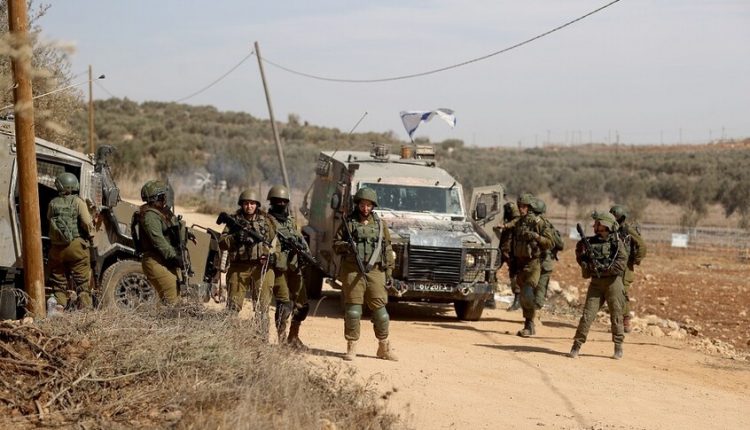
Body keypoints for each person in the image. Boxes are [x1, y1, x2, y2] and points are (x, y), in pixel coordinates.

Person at [333, 187, 397, 361]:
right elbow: (335, 244)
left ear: (373, 206)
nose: (365, 208)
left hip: (375, 271)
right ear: (358, 204)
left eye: (369, 205)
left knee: (381, 313)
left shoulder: (380, 224)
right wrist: (347, 246)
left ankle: (384, 347)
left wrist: (389, 272)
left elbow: (387, 248)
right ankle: (351, 347)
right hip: (353, 270)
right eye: (362, 204)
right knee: (353, 311)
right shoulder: (348, 222)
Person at [219, 189, 278, 341]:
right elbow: (222, 242)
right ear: (241, 204)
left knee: (262, 308)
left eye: (252, 203)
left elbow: (276, 243)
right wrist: (235, 238)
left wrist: (272, 256)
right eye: (246, 203)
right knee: (233, 307)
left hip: (261, 268)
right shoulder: (234, 221)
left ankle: (261, 340)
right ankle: (229, 340)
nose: (249, 206)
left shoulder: (267, 221)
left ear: (257, 205)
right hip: (238, 267)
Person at [569, 211, 628, 360]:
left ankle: (618, 346)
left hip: (613, 283)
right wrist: (585, 260)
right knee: (587, 316)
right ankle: (576, 345)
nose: (594, 226)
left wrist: (604, 268)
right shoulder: (589, 242)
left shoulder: (617, 244)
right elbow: (580, 258)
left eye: (598, 223)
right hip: (596, 283)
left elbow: (621, 263)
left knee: (616, 315)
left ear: (605, 225)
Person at [267, 185, 310, 348]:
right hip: (279, 268)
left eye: (283, 201)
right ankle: (282, 339)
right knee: (284, 304)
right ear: (271, 202)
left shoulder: (291, 221)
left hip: (294, 266)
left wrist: (305, 252)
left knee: (303, 305)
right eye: (277, 201)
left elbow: (300, 239)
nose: (280, 204)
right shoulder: (267, 221)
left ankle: (293, 336)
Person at [46, 172, 94, 309]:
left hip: (56, 248)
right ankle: (85, 311)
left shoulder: (53, 203)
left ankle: (59, 308)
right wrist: (91, 235)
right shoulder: (78, 202)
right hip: (75, 247)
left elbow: (49, 219)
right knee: (82, 282)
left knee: (58, 282)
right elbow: (87, 222)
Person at [510, 193, 555, 337]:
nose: (521, 209)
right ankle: (529, 325)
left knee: (527, 293)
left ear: (530, 207)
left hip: (534, 263)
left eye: (524, 206)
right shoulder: (519, 223)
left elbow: (550, 242)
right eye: (519, 206)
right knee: (524, 296)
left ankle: (529, 325)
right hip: (520, 263)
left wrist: (536, 236)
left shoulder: (539, 222)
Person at [135, 180, 185, 306]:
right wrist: (174, 256)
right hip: (154, 260)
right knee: (172, 293)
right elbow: (158, 240)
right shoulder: (150, 216)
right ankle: (170, 318)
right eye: (163, 196)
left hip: (162, 259)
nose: (165, 199)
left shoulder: (159, 213)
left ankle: (164, 317)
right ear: (157, 197)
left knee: (172, 296)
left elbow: (169, 231)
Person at [609, 205, 647, 333]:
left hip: (626, 268)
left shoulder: (627, 229)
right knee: (614, 292)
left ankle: (625, 322)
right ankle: (620, 321)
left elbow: (642, 245)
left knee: (622, 293)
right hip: (615, 265)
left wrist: (636, 260)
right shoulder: (612, 229)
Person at [529, 197, 565, 315]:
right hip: (545, 261)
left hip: (535, 260)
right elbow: (560, 245)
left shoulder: (531, 223)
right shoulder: (547, 225)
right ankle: (535, 312)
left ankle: (533, 313)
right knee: (541, 287)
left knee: (533, 286)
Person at [495, 201, 521, 311]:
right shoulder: (497, 206)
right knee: (491, 272)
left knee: (514, 276)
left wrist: (505, 225)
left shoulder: (510, 206)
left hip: (511, 251)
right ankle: (490, 299)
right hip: (501, 250)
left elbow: (518, 219)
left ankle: (517, 301)